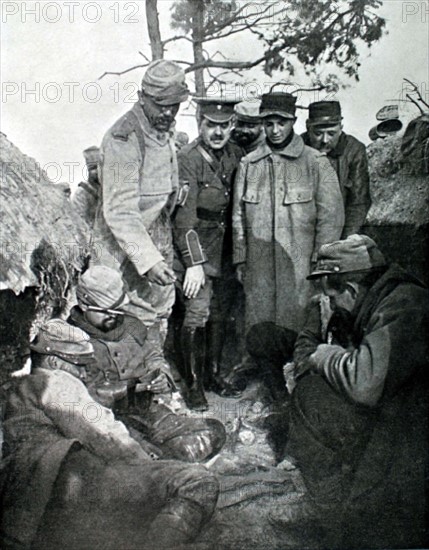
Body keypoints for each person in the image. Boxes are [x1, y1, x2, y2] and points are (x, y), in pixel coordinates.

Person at [0, 319, 219, 550]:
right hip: (61, 482)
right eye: (79, 365)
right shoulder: (53, 381)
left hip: (27, 509)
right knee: (196, 481)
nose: (84, 374)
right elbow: (104, 436)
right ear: (54, 361)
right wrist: (149, 466)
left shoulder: (19, 391)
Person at [268, 235, 429, 549]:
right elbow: (308, 343)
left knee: (375, 526)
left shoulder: (406, 304)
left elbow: (364, 383)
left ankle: (332, 511)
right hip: (393, 413)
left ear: (352, 290)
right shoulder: (368, 300)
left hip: (411, 431)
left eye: (332, 294)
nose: (327, 303)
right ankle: (332, 506)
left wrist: (325, 356)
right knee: (311, 391)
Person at [68, 264, 226, 463]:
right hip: (106, 422)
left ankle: (159, 460)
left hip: (147, 412)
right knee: (135, 456)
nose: (114, 317)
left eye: (118, 310)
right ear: (83, 304)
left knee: (212, 432)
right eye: (105, 311)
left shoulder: (131, 325)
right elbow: (76, 401)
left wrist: (160, 375)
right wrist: (129, 388)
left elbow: (153, 356)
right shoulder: (69, 341)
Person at [91, 59, 189, 364]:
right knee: (118, 317)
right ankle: (123, 397)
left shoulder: (164, 131)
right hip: (120, 246)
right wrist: (148, 260)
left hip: (155, 233)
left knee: (159, 312)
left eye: (174, 105)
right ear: (141, 97)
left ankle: (151, 385)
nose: (168, 112)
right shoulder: (124, 138)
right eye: (160, 104)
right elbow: (119, 212)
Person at [233, 92, 345, 338]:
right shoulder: (249, 164)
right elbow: (239, 217)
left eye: (281, 123)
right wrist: (241, 259)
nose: (274, 130)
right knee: (260, 330)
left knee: (302, 328)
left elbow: (331, 218)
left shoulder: (315, 162)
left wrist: (322, 261)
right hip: (260, 267)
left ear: (293, 122)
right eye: (268, 123)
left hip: (301, 268)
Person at [173, 97, 243, 410]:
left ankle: (214, 374)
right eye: (210, 125)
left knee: (219, 313)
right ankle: (194, 384)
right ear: (199, 124)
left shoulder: (236, 155)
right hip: (197, 245)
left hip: (226, 248)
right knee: (197, 313)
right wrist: (193, 263)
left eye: (223, 126)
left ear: (233, 126)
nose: (217, 132)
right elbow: (183, 218)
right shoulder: (187, 158)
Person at [302, 101, 371, 237]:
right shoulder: (297, 148)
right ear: (307, 127)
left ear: (341, 128)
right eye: (318, 133)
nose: (325, 140)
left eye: (331, 134)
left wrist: (344, 241)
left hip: (341, 228)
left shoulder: (354, 150)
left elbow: (358, 201)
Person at [71, 145, 100, 228]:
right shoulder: (82, 193)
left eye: (100, 167)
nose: (97, 171)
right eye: (93, 168)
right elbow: (78, 221)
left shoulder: (111, 190)